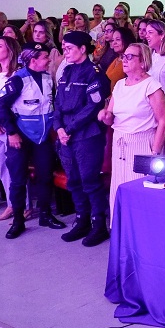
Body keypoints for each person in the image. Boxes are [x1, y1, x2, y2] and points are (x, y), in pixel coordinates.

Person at [0, 42, 66, 239]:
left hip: (42, 138)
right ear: (33, 60)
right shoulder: (18, 80)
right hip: (21, 137)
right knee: (18, 180)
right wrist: (11, 133)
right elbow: (0, 107)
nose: (49, 60)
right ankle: (18, 220)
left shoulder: (47, 78)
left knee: (44, 177)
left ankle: (45, 214)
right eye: (45, 57)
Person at [54, 31, 111, 247]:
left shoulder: (95, 73)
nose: (65, 52)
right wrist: (59, 127)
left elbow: (92, 107)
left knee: (89, 180)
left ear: (82, 49)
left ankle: (98, 226)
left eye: (69, 48)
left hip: (87, 135)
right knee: (74, 181)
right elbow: (57, 103)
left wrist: (68, 128)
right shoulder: (67, 71)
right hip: (66, 135)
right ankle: (82, 220)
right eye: (64, 48)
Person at [98, 42, 165, 216]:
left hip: (142, 144)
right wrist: (105, 116)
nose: (124, 60)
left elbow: (164, 121)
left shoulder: (151, 86)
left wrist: (155, 152)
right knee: (119, 188)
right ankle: (120, 233)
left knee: (139, 194)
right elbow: (110, 118)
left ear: (143, 62)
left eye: (130, 57)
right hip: (120, 144)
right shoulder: (120, 85)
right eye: (124, 56)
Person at [0, 37, 21, 221]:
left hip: (9, 126)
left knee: (15, 167)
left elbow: (14, 105)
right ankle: (11, 203)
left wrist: (1, 123)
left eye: (0, 46)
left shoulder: (17, 74)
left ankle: (22, 205)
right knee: (2, 166)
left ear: (10, 49)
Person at [105, 27, 137, 91]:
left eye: (118, 39)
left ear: (126, 40)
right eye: (113, 40)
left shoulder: (132, 61)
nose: (114, 43)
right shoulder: (116, 59)